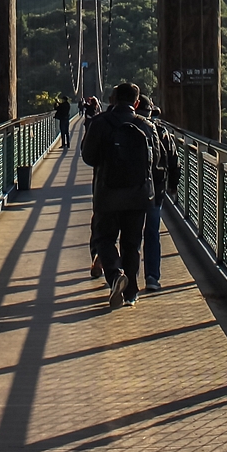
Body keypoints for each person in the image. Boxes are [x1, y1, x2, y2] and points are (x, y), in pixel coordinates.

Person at [81, 81, 160, 309]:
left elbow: (88, 157)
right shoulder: (146, 126)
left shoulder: (99, 123)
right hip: (138, 196)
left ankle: (115, 276)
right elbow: (155, 161)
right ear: (136, 102)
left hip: (107, 194)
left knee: (104, 239)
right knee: (132, 243)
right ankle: (132, 293)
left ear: (113, 100)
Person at [135, 97, 180, 291]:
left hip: (132, 190)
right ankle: (152, 277)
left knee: (132, 234)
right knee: (152, 232)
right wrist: (173, 185)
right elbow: (174, 161)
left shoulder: (128, 127)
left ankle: (129, 277)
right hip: (157, 190)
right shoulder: (161, 131)